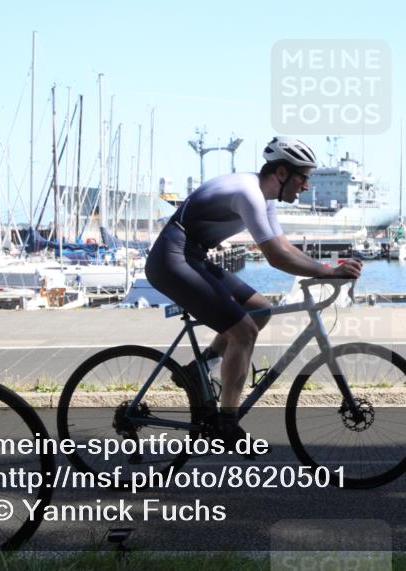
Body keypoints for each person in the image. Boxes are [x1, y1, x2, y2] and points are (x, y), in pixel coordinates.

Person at [145, 136, 362, 442]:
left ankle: (200, 369)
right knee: (244, 331)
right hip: (172, 260)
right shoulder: (248, 194)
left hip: (191, 256)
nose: (306, 186)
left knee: (259, 309)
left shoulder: (266, 198)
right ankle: (227, 423)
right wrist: (329, 271)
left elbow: (284, 247)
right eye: (303, 177)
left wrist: (327, 271)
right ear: (282, 173)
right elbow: (275, 258)